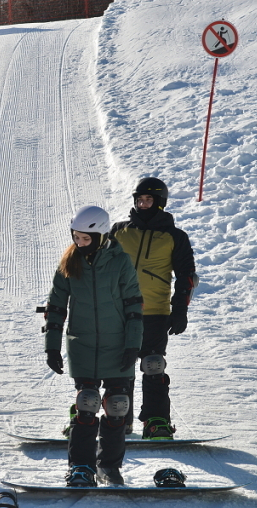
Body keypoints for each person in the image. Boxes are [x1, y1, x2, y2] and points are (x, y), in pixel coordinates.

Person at [43, 205, 143, 486]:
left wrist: (133, 345)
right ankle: (81, 467)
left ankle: (109, 466)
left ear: (101, 236)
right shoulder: (69, 263)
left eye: (85, 238)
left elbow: (134, 305)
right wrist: (52, 347)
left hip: (117, 344)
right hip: (83, 345)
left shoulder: (120, 262)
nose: (79, 243)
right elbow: (56, 307)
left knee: (117, 406)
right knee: (86, 404)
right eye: (76, 237)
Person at [110, 178, 197, 440]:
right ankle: (118, 419)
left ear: (160, 203)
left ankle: (156, 421)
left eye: (149, 200)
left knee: (153, 365)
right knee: (119, 368)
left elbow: (186, 276)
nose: (143, 204)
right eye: (140, 199)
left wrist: (179, 310)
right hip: (119, 312)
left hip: (155, 312)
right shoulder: (119, 231)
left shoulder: (175, 237)